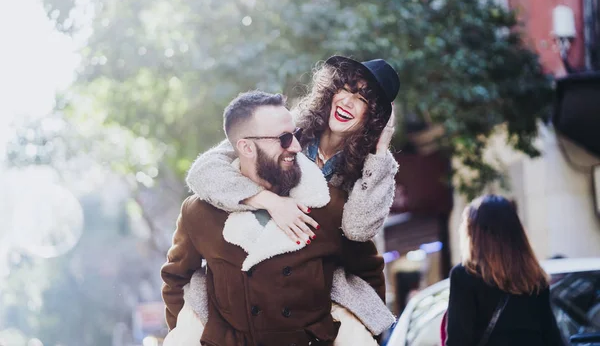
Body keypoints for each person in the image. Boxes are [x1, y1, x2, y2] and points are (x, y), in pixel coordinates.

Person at [183, 56, 401, 339]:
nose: (348, 101)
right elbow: (203, 172)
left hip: (314, 293)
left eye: (362, 99)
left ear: (374, 117)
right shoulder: (286, 128)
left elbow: (359, 230)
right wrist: (270, 201)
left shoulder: (372, 169)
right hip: (246, 285)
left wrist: (381, 150)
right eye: (346, 89)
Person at [445, 195, 563, 346]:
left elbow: (459, 341)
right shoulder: (534, 279)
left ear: (474, 234)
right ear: (516, 234)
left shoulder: (465, 276)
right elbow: (552, 338)